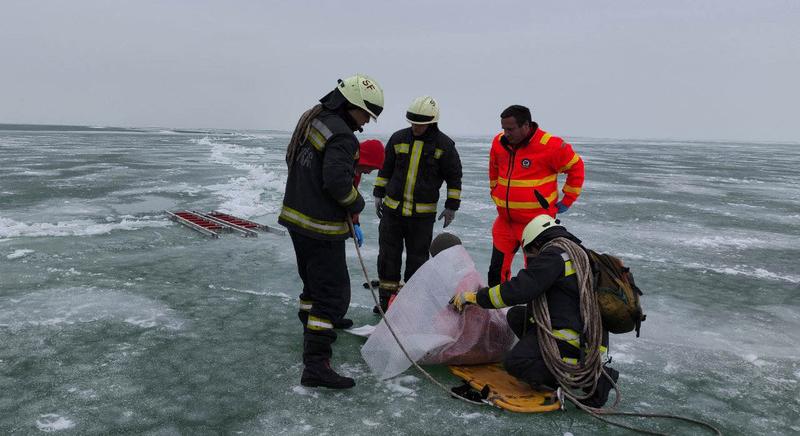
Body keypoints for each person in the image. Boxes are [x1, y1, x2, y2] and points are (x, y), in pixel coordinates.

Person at [278, 74, 384, 389]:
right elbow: (338, 183)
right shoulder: (341, 135)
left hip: (298, 219)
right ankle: (316, 364)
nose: (365, 123)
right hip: (320, 227)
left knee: (313, 287)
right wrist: (358, 204)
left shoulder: (313, 121)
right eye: (366, 113)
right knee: (331, 295)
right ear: (351, 104)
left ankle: (311, 329)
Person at [450, 215, 619, 407]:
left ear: (538, 242)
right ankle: (553, 359)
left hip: (574, 339)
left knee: (516, 362)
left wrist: (475, 297)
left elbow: (519, 290)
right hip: (588, 335)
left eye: (531, 251)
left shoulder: (554, 256)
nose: (532, 257)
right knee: (516, 316)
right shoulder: (578, 253)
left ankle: (588, 380)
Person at [372, 96, 463, 313]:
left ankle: (408, 307)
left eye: (420, 123)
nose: (415, 127)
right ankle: (386, 303)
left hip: (421, 218)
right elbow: (385, 169)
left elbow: (454, 177)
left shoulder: (445, 146)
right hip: (392, 213)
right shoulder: (398, 139)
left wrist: (452, 205)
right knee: (387, 258)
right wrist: (378, 193)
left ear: (432, 122)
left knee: (417, 261)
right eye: (412, 122)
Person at [488, 105, 585, 287]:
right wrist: (495, 192)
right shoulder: (499, 143)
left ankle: (535, 314)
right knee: (495, 271)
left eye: (510, 129)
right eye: (503, 128)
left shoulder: (550, 146)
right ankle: (495, 313)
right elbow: (494, 169)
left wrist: (567, 200)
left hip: (536, 225)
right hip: (505, 222)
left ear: (526, 125)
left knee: (536, 276)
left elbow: (576, 167)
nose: (505, 133)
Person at [351, 139, 385, 248]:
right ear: (364, 160)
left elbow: (351, 198)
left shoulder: (356, 171)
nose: (369, 172)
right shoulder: (344, 168)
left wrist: (355, 223)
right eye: (370, 167)